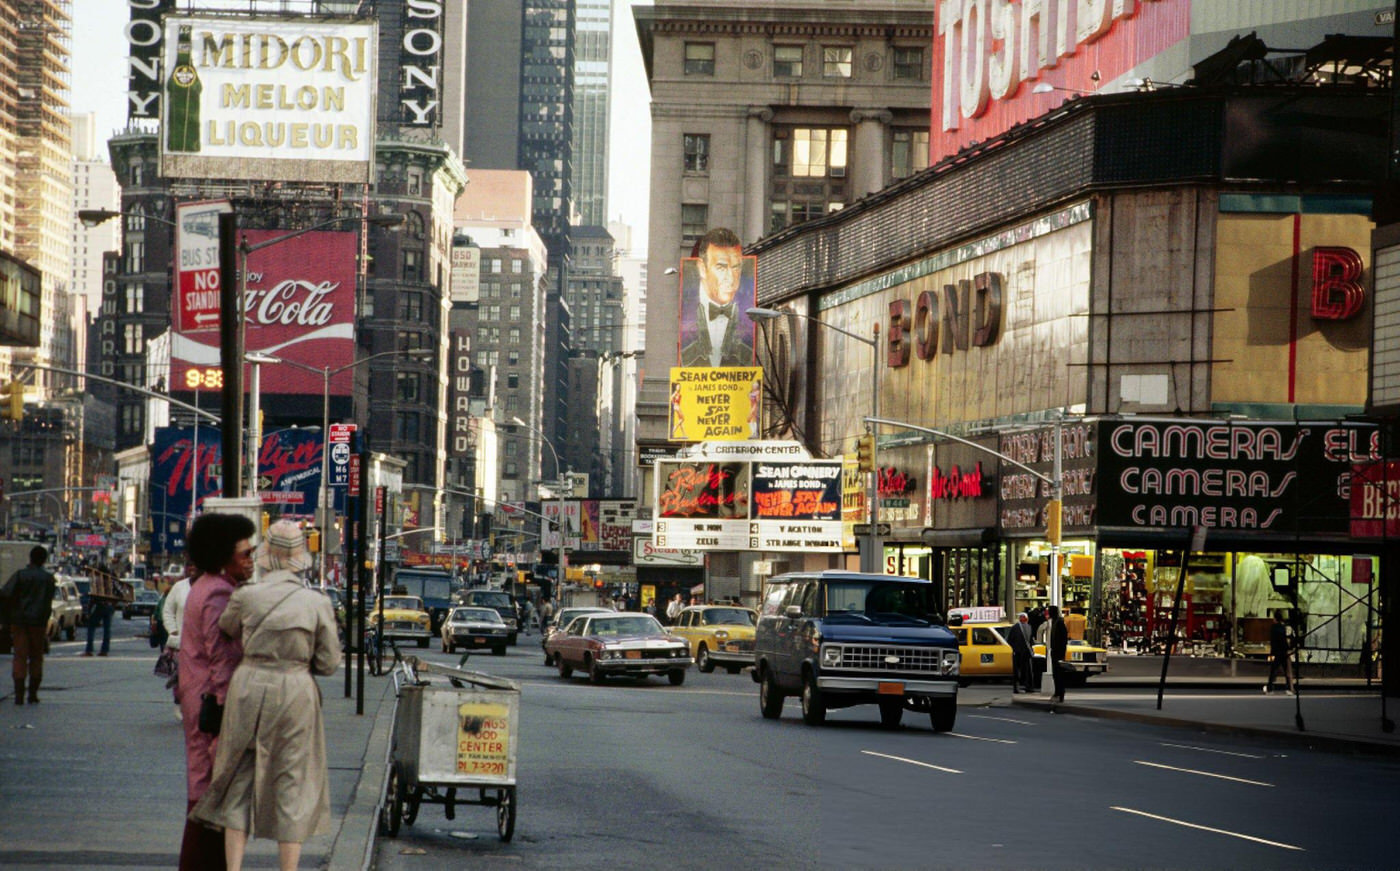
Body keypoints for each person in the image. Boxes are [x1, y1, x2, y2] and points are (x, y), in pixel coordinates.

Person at [192, 521, 341, 871]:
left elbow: (228, 628)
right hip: (295, 690)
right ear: (300, 557)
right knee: (292, 780)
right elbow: (329, 662)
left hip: (249, 686)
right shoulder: (317, 603)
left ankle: (234, 867)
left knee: (239, 777)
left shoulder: (246, 595)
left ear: (266, 556)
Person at [178, 512, 257, 871]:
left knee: (203, 787)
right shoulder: (219, 592)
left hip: (198, 699)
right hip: (213, 706)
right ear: (225, 555)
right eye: (245, 554)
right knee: (212, 790)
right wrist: (230, 710)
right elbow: (221, 657)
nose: (251, 561)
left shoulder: (203, 585)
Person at [680, 227, 753, 368]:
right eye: (721, 268)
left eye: (736, 267)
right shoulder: (686, 310)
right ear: (702, 268)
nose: (730, 279)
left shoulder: (750, 314)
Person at [5, 546, 56, 704]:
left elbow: (6, 594)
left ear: (30, 558)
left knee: (20, 657)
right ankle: (32, 694)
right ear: (44, 560)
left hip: (20, 622)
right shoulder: (48, 579)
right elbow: (49, 600)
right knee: (36, 657)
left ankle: (19, 694)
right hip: (39, 622)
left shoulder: (20, 576)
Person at [84, 564, 120, 657]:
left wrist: (89, 609)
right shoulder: (112, 580)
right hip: (109, 606)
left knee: (91, 627)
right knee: (107, 629)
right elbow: (120, 592)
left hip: (99, 605)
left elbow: (93, 595)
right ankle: (104, 650)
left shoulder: (97, 580)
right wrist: (114, 603)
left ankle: (89, 650)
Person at [1264, 611, 1295, 695]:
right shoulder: (1282, 628)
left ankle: (1270, 689)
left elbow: (1273, 642)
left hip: (1276, 652)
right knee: (1286, 671)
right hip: (1283, 653)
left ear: (1275, 619)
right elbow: (1284, 641)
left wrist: (1271, 653)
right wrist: (1288, 649)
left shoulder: (1273, 628)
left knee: (1273, 671)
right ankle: (1289, 688)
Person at [1007, 610, 1035, 695]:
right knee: (1017, 671)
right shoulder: (1015, 627)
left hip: (1026, 652)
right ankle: (1016, 688)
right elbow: (1010, 640)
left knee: (1027, 670)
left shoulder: (1029, 627)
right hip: (1018, 652)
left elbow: (1030, 640)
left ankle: (1028, 687)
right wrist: (1015, 649)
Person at [1047, 605, 1069, 703]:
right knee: (1055, 674)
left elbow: (1064, 638)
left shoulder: (1059, 622)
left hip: (1058, 652)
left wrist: (1061, 652)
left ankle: (1060, 692)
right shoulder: (1054, 622)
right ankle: (1057, 691)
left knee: (1059, 673)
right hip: (1054, 651)